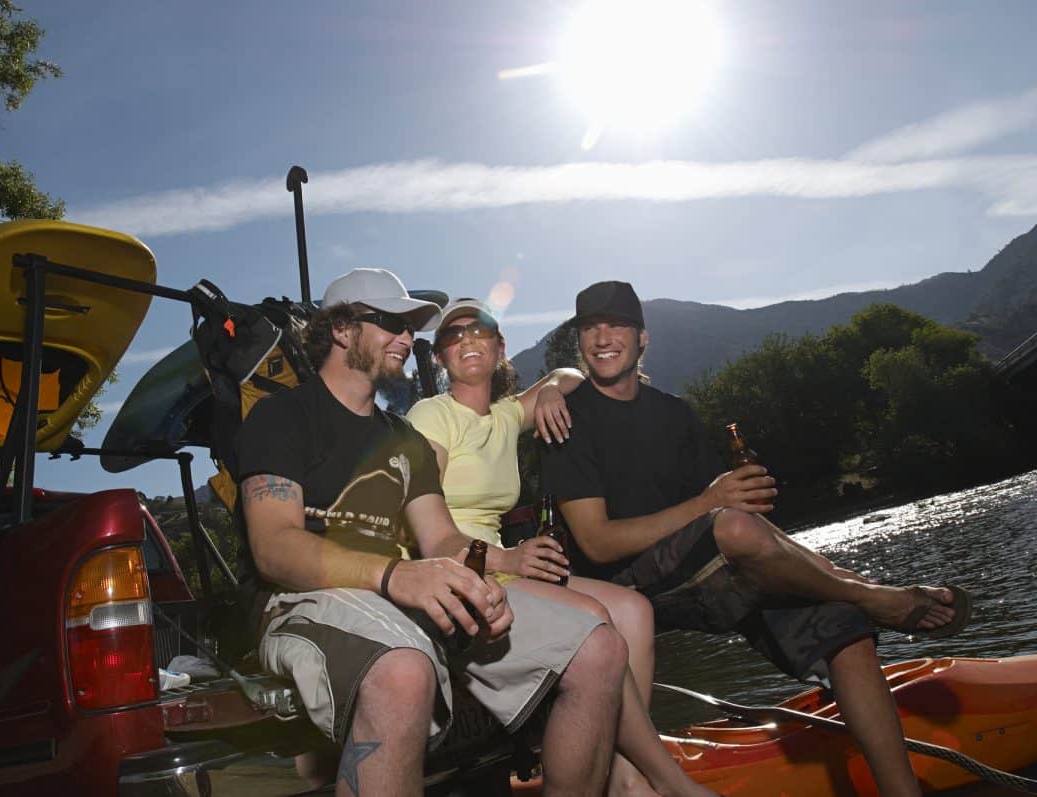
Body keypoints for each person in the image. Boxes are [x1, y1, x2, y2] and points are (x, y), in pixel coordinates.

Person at [541, 279, 974, 797]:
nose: (603, 337)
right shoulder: (567, 419)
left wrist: (734, 508)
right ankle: (874, 594)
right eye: (591, 328)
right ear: (580, 341)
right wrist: (712, 505)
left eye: (617, 325)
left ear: (642, 338)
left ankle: (901, 786)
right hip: (625, 586)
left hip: (705, 571)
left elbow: (721, 515)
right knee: (734, 525)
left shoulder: (675, 413)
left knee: (845, 628)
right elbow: (598, 545)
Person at [237, 268, 631, 797]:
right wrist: (396, 575)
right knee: (404, 670)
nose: (407, 339)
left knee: (599, 649)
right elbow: (273, 547)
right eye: (391, 324)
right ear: (340, 329)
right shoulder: (282, 416)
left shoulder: (402, 437)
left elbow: (441, 540)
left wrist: (477, 577)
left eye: (411, 328)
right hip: (303, 598)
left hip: (396, 594)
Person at [407, 298, 713, 797]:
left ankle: (622, 771)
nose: (466, 339)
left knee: (634, 611)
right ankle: (664, 780)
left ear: (499, 346)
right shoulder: (432, 415)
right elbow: (427, 529)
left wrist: (548, 388)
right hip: (460, 568)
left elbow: (574, 373)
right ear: (440, 358)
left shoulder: (506, 416)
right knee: (595, 619)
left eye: (479, 330)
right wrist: (507, 557)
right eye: (452, 335)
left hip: (503, 563)